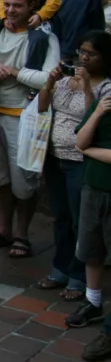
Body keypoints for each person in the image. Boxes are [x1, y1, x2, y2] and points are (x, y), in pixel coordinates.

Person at [0, 0, 60, 259]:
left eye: (18, 5)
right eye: (7, 4)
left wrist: (16, 72)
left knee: (25, 180)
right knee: (0, 178)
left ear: (31, 7)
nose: (11, 10)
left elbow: (51, 79)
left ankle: (22, 235)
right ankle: (3, 230)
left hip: (24, 120)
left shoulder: (44, 38)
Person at [37, 31, 110, 306]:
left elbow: (94, 122)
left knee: (82, 221)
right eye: (81, 51)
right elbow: (43, 108)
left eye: (91, 53)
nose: (84, 57)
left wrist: (88, 87)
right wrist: (51, 82)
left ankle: (79, 277)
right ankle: (60, 268)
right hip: (55, 157)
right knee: (61, 216)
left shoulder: (106, 87)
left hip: (81, 161)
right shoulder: (67, 81)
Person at [69, 33, 111, 360]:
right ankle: (93, 302)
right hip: (94, 185)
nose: (84, 57)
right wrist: (97, 114)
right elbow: (80, 140)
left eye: (90, 53)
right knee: (91, 247)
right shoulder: (104, 98)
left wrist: (91, 149)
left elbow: (86, 147)